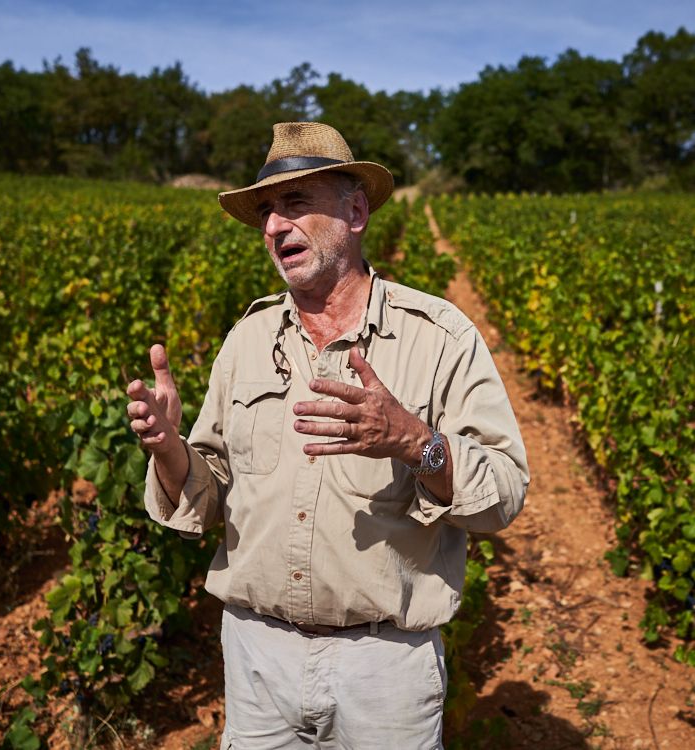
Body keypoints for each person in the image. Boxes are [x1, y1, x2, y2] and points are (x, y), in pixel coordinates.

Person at [127, 121, 529, 749]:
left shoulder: (439, 337)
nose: (272, 227)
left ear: (357, 212)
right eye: (265, 211)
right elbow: (211, 496)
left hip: (385, 671)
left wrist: (414, 441)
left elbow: (504, 492)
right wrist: (171, 451)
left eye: (294, 205)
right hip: (257, 658)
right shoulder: (248, 339)